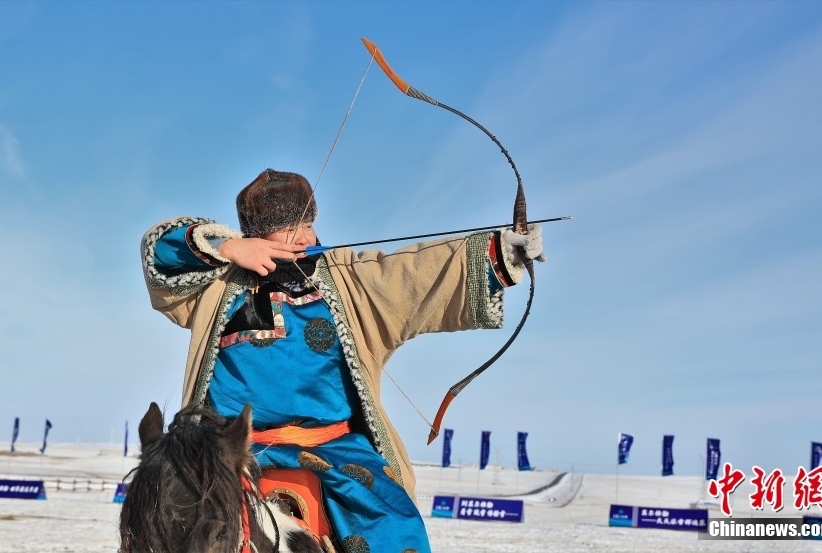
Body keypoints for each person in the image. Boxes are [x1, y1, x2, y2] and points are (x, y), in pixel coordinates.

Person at [140, 169, 545, 553]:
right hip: (228, 450)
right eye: (286, 230)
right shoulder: (217, 284)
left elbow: (414, 273)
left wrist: (501, 253)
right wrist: (225, 247)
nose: (301, 238)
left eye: (306, 225)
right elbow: (158, 255)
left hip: (335, 446)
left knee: (394, 520)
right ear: (257, 237)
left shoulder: (349, 278)